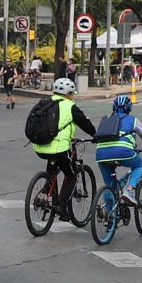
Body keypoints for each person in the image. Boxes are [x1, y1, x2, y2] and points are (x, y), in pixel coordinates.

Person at [32, 78, 96, 219]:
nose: (73, 96)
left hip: (40, 147)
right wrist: (96, 135)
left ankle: (47, 188)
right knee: (72, 175)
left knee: (53, 167)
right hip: (59, 148)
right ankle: (61, 207)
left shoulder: (45, 102)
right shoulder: (70, 106)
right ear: (67, 94)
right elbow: (85, 123)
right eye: (72, 93)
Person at [94, 95, 142, 206]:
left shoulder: (106, 119)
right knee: (139, 165)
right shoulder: (133, 120)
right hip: (123, 152)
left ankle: (110, 218)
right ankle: (129, 190)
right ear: (129, 108)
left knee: (109, 185)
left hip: (101, 154)